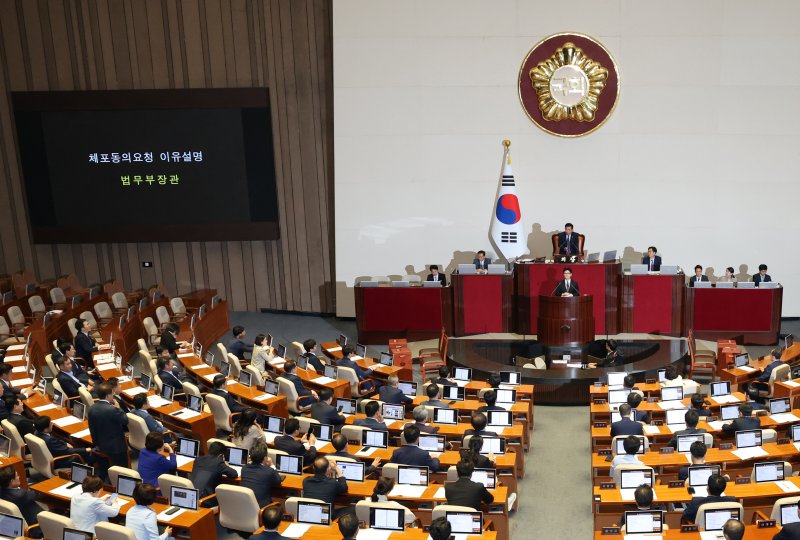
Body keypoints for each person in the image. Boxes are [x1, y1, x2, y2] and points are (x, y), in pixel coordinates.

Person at [87, 382, 129, 472]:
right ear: (107, 396)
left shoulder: (91, 408)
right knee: (123, 469)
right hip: (116, 447)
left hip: (100, 444)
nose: (113, 396)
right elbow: (125, 420)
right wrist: (118, 408)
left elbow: (92, 428)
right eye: (112, 394)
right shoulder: (112, 409)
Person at [0, 466, 42, 538]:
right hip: (36, 527)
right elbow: (37, 494)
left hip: (13, 526)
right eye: (17, 476)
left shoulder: (2, 491)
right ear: (12, 481)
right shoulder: (21, 495)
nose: (19, 477)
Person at [240, 442, 283, 508]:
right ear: (265, 458)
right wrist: (271, 465)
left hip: (245, 506)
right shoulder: (269, 471)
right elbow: (278, 480)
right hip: (262, 509)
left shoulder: (244, 468)